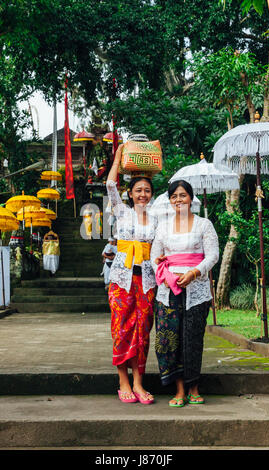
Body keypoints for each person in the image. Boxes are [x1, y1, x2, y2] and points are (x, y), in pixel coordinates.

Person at [150, 180, 219, 407]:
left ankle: (194, 387)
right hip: (168, 290)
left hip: (196, 290)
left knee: (192, 338)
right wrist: (161, 266)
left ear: (191, 198)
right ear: (169, 201)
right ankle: (179, 389)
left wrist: (194, 272)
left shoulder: (204, 225)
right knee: (169, 340)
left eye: (182, 195)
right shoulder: (162, 227)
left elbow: (213, 256)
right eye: (174, 196)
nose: (178, 200)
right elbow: (154, 256)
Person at [106, 144, 157, 405]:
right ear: (130, 193)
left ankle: (138, 382)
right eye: (138, 190)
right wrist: (117, 158)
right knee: (122, 329)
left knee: (142, 331)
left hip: (147, 281)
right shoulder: (121, 211)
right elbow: (110, 186)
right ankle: (122, 380)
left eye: (147, 190)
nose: (143, 194)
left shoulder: (158, 217)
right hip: (121, 280)